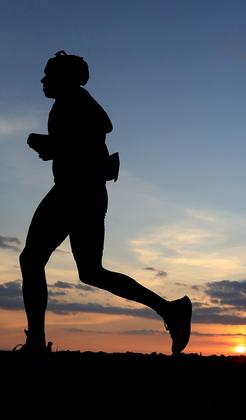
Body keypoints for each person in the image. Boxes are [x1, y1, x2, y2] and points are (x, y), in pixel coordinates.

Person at [18, 51, 191, 355]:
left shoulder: (76, 100)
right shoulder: (72, 103)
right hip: (84, 191)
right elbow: (88, 139)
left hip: (76, 192)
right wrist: (53, 146)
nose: (43, 80)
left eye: (48, 74)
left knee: (32, 260)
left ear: (65, 78)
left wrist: (52, 145)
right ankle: (170, 310)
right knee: (90, 271)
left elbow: (98, 130)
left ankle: (35, 343)